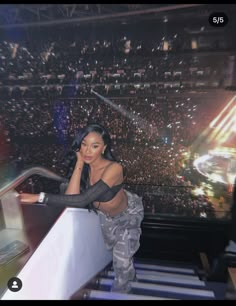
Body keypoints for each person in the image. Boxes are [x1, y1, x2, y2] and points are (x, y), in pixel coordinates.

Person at [19, 123, 144, 293]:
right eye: (84, 144)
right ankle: (130, 274)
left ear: (104, 148)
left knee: (121, 261)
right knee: (115, 251)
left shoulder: (115, 168)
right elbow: (71, 199)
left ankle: (124, 290)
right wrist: (79, 163)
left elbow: (83, 199)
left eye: (95, 146)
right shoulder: (84, 166)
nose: (87, 151)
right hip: (105, 216)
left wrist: (40, 197)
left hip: (127, 215)